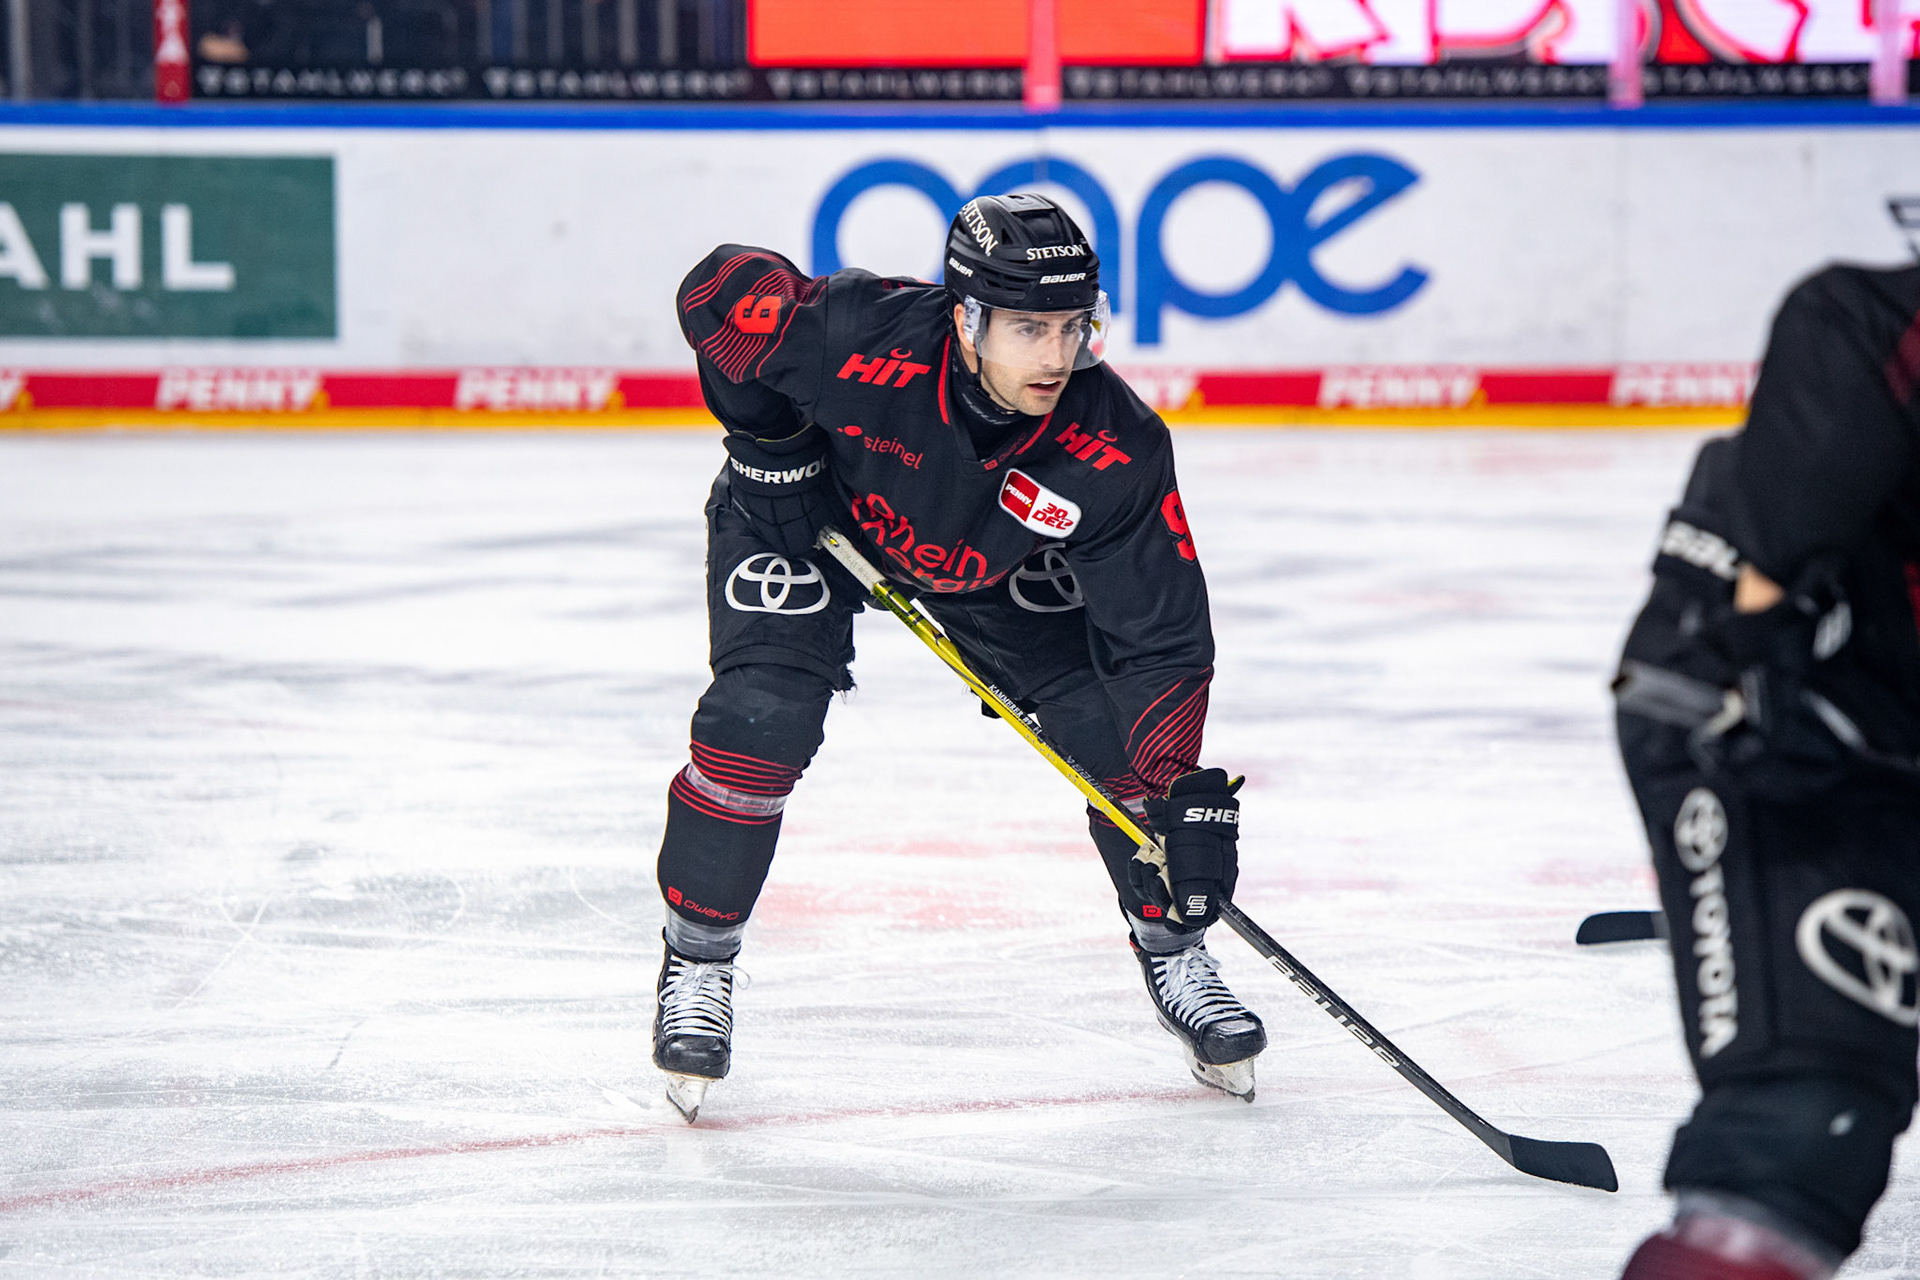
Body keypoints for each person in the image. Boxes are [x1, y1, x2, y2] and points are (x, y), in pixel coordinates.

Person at [651, 193, 1265, 1122]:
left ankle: (1173, 950)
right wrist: (771, 448)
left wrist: (1178, 796)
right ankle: (698, 959)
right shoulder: (867, 335)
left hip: (989, 564)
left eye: (1074, 327)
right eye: (1027, 328)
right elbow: (720, 295)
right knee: (756, 723)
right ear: (966, 318)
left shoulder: (1117, 446)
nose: (1057, 357)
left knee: (1122, 751)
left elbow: (1161, 638)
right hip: (809, 525)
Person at [1612, 263, 1920, 1279]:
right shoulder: (1877, 336)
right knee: (1805, 1120)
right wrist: (1760, 616)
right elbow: (1850, 315)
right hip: (1789, 721)